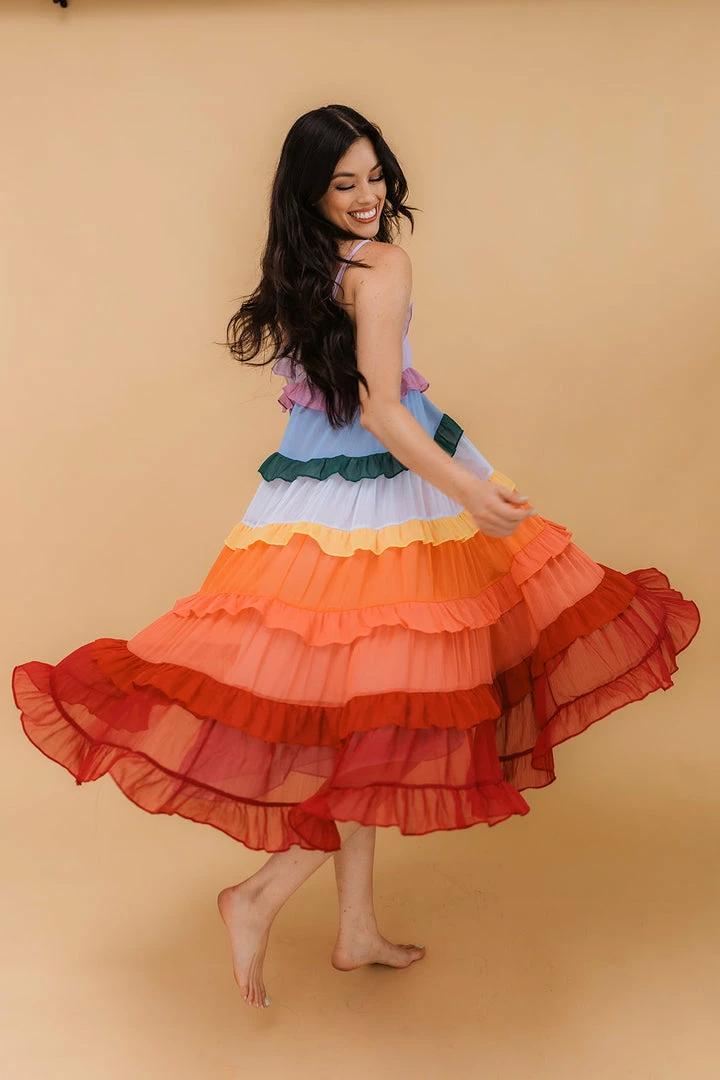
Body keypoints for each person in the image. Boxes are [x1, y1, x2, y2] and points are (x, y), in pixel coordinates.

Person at [11, 104, 700, 1013]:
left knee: (358, 713)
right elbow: (380, 409)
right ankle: (258, 896)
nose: (368, 196)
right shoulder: (380, 266)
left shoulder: (305, 267)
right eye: (345, 183)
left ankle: (356, 929)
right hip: (382, 501)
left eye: (375, 176)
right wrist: (468, 490)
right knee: (387, 720)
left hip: (309, 505)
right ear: (310, 191)